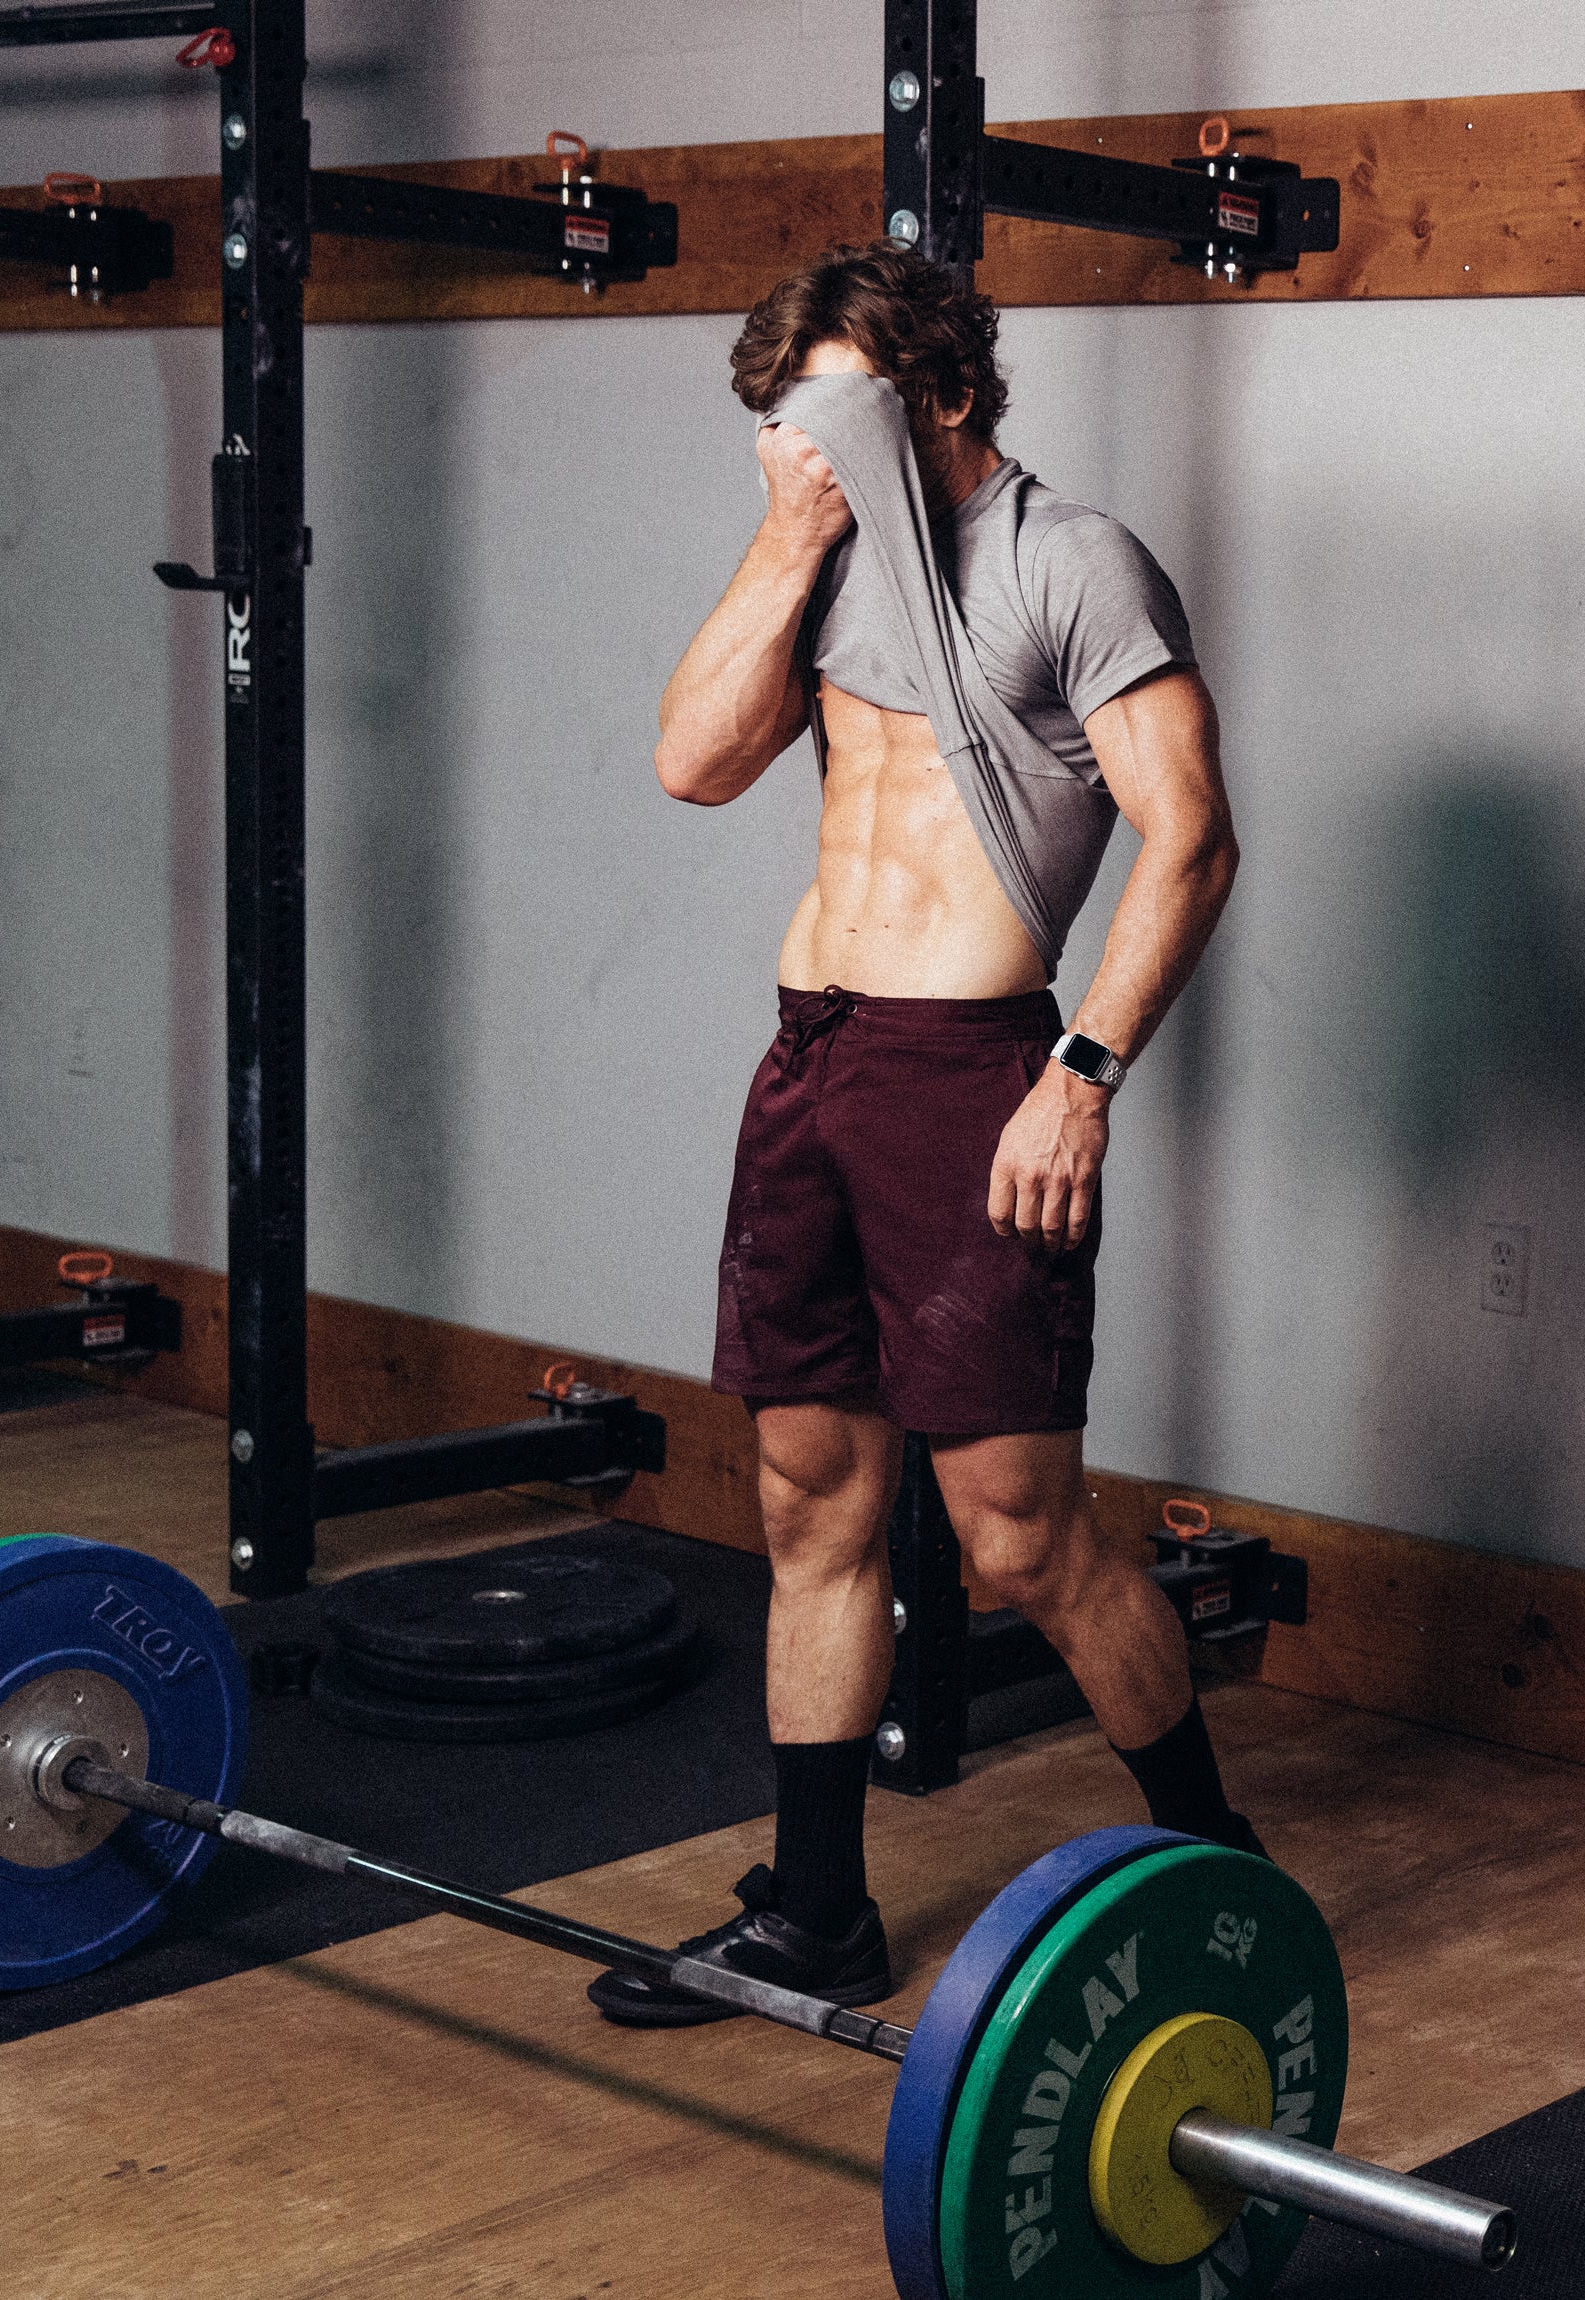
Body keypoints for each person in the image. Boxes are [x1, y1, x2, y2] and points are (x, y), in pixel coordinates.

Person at [598, 243, 1249, 2024]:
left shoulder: (1071, 559)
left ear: (945, 398)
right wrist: (795, 535)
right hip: (811, 1060)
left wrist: (1082, 1075)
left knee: (1018, 1541)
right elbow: (692, 762)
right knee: (810, 1502)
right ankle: (816, 1909)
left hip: (971, 1077)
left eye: (833, 412)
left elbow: (1187, 837)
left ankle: (1219, 1865)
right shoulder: (823, 562)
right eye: (780, 418)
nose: (801, 445)